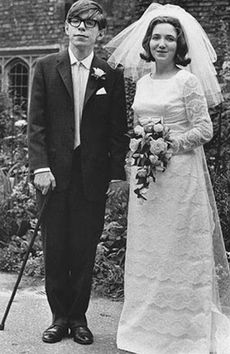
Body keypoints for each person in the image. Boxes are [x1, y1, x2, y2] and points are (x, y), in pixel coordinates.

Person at [105, 3, 230, 354]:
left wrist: (169, 143)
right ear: (147, 43)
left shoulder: (187, 80)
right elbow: (138, 126)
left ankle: (184, 335)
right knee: (149, 252)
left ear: (179, 45)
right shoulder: (143, 81)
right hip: (147, 179)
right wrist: (141, 151)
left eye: (170, 38)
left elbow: (204, 129)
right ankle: (144, 331)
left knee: (178, 250)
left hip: (180, 177)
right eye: (157, 37)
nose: (162, 44)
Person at [28, 0, 128, 345]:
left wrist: (117, 175)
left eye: (90, 23)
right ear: (67, 28)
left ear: (100, 32)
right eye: (76, 22)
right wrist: (40, 167)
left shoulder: (110, 75)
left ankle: (79, 318)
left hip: (92, 178)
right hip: (52, 177)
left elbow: (119, 131)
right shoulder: (44, 67)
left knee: (84, 249)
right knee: (55, 248)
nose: (82, 28)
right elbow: (36, 125)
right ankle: (58, 317)